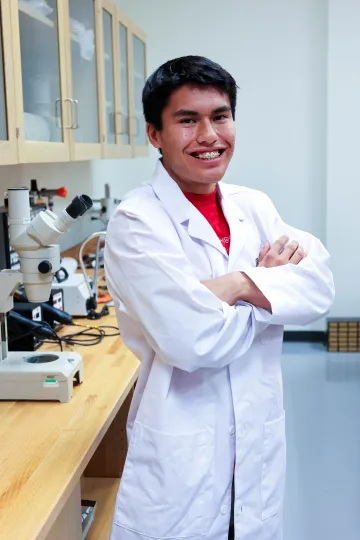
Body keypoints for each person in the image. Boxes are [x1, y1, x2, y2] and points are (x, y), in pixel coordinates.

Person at [104, 56, 335, 540]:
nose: (209, 135)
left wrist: (236, 285)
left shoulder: (254, 205)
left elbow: (319, 288)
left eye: (221, 116)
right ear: (154, 134)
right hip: (183, 452)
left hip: (256, 438)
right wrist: (270, 290)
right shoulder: (136, 222)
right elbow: (194, 343)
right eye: (187, 120)